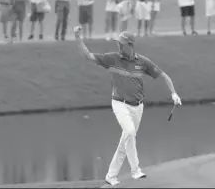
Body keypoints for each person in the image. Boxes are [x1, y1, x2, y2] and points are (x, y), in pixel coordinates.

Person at [73, 25, 182, 186]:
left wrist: (174, 93)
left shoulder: (143, 62)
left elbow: (163, 75)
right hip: (119, 103)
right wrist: (78, 38)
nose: (119, 46)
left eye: (122, 43)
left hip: (138, 107)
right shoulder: (112, 59)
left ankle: (111, 176)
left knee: (126, 139)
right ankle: (136, 170)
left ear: (130, 45)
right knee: (130, 132)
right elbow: (88, 56)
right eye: (118, 43)